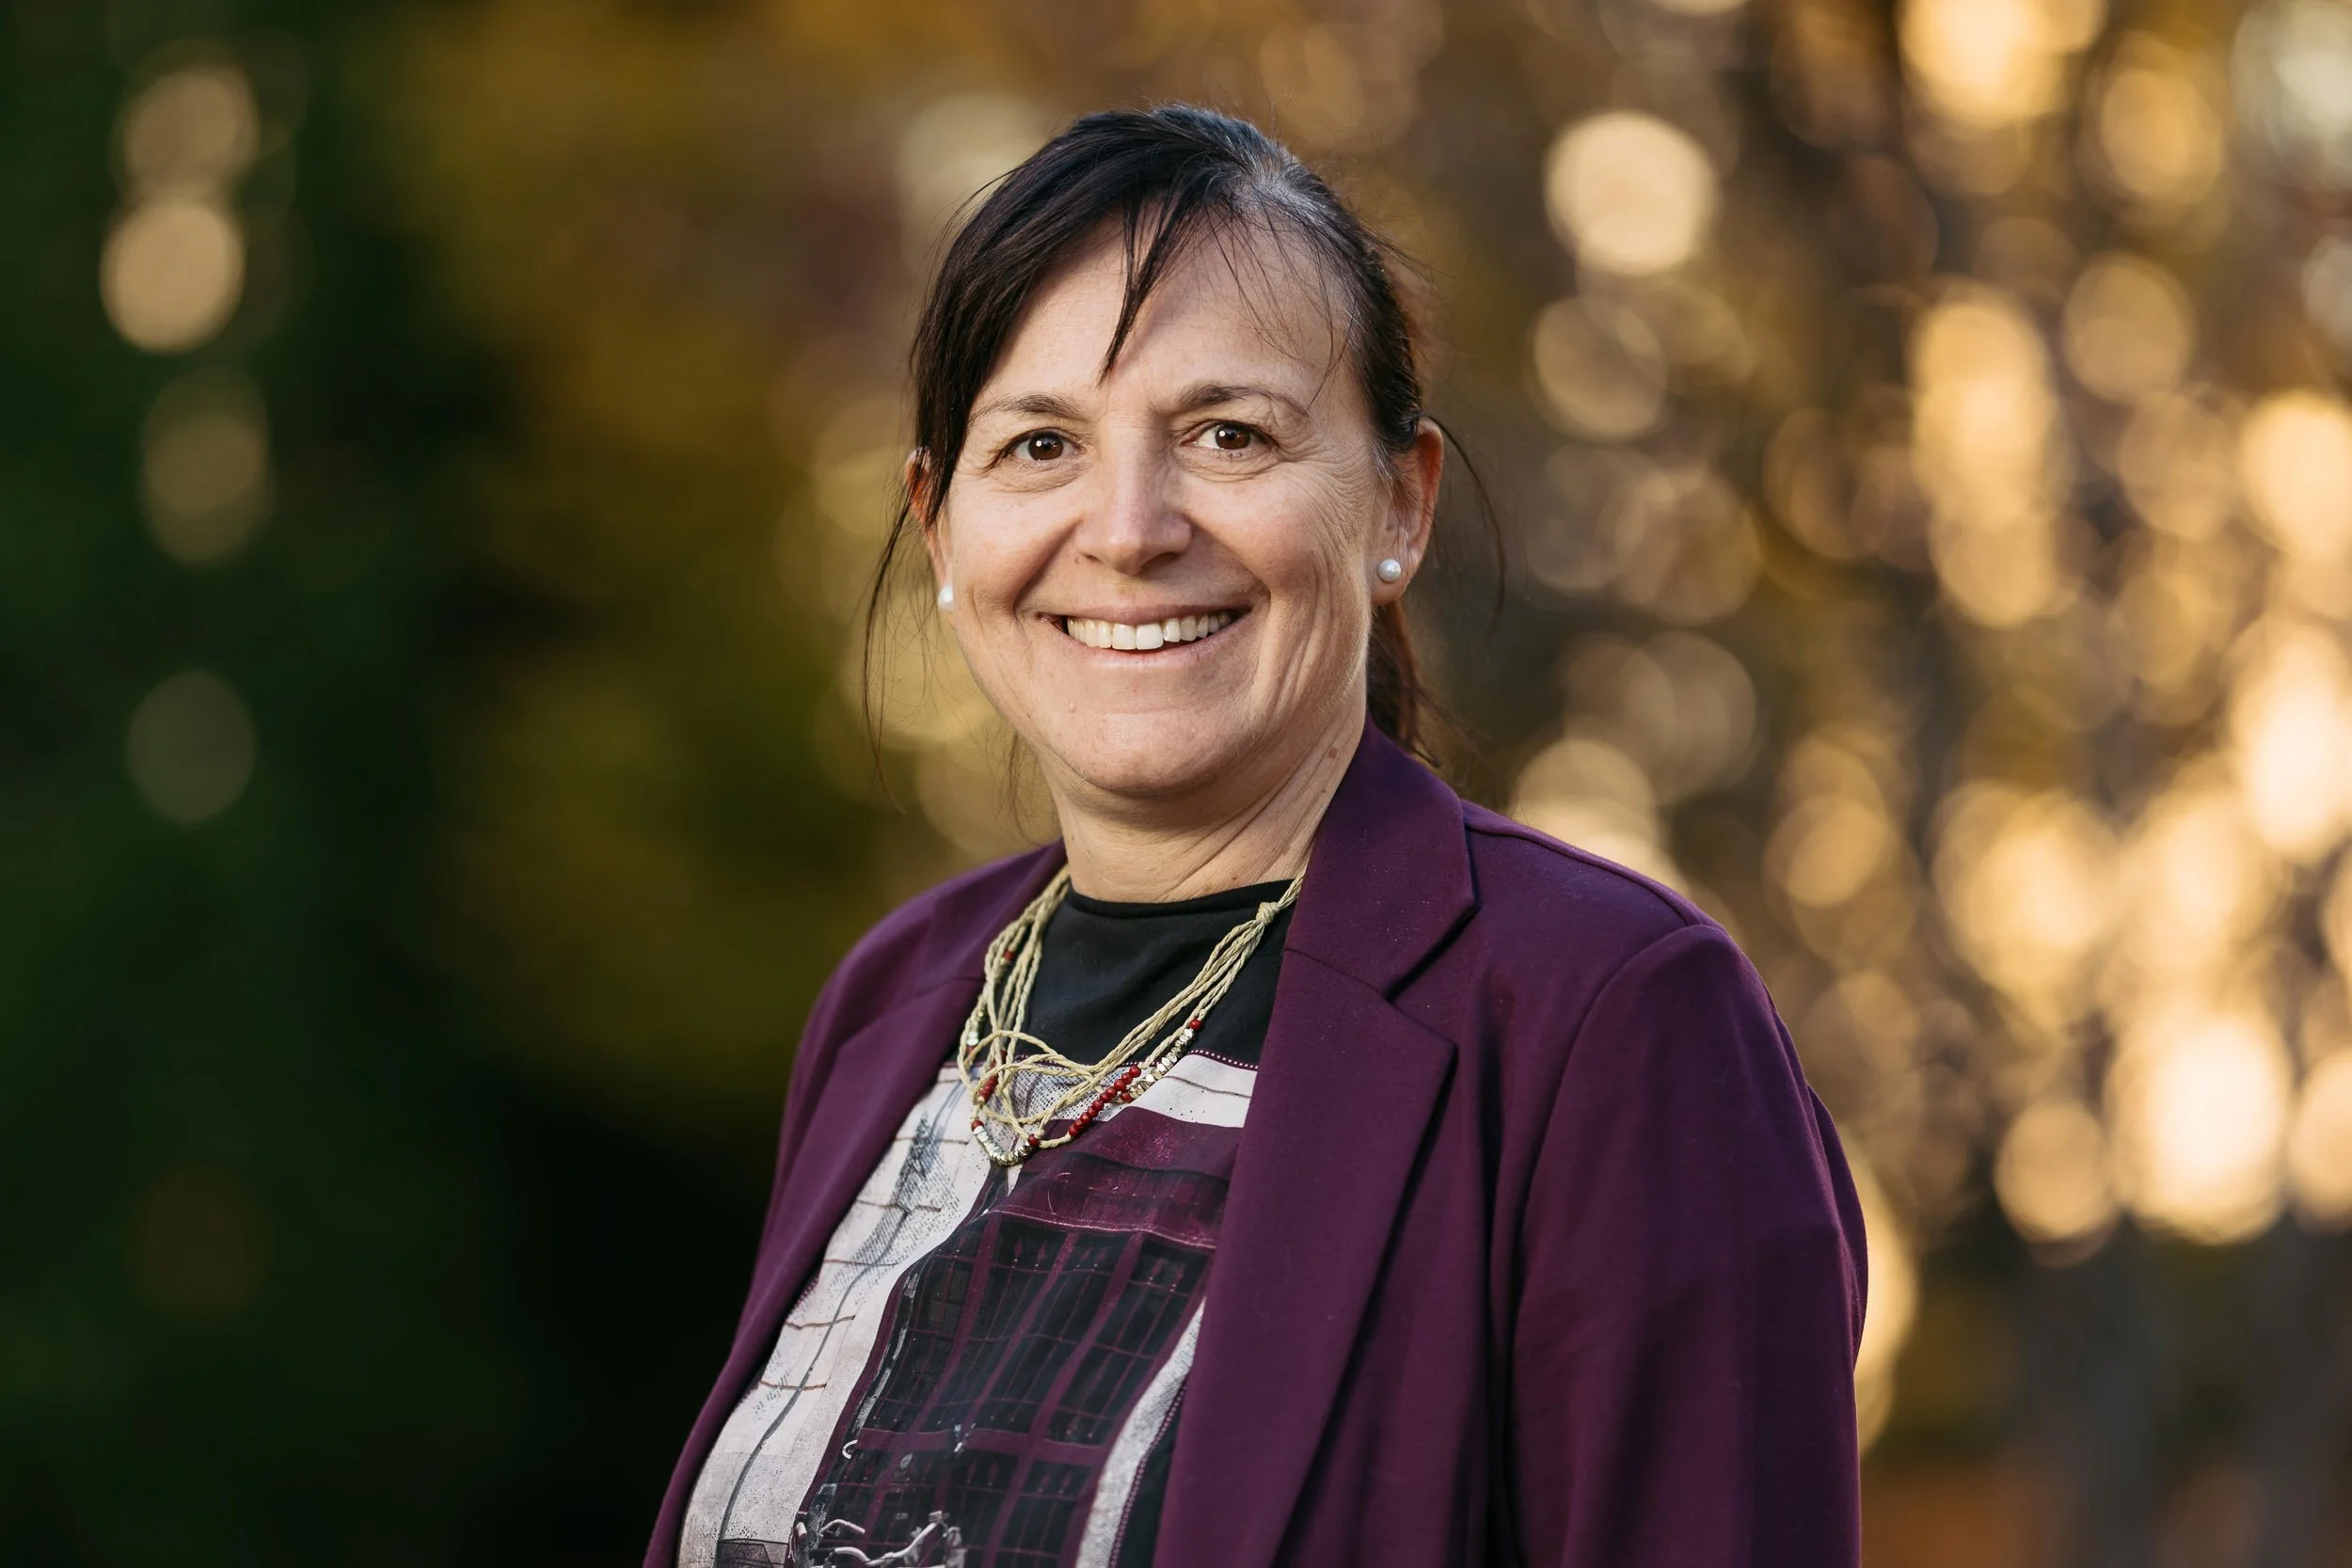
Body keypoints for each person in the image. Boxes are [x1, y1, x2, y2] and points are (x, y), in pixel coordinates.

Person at [647, 105, 1866, 1568]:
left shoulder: (1608, 1022)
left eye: (1229, 435)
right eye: (1041, 444)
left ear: (1396, 505)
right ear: (942, 528)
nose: (1129, 525)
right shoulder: (891, 1005)